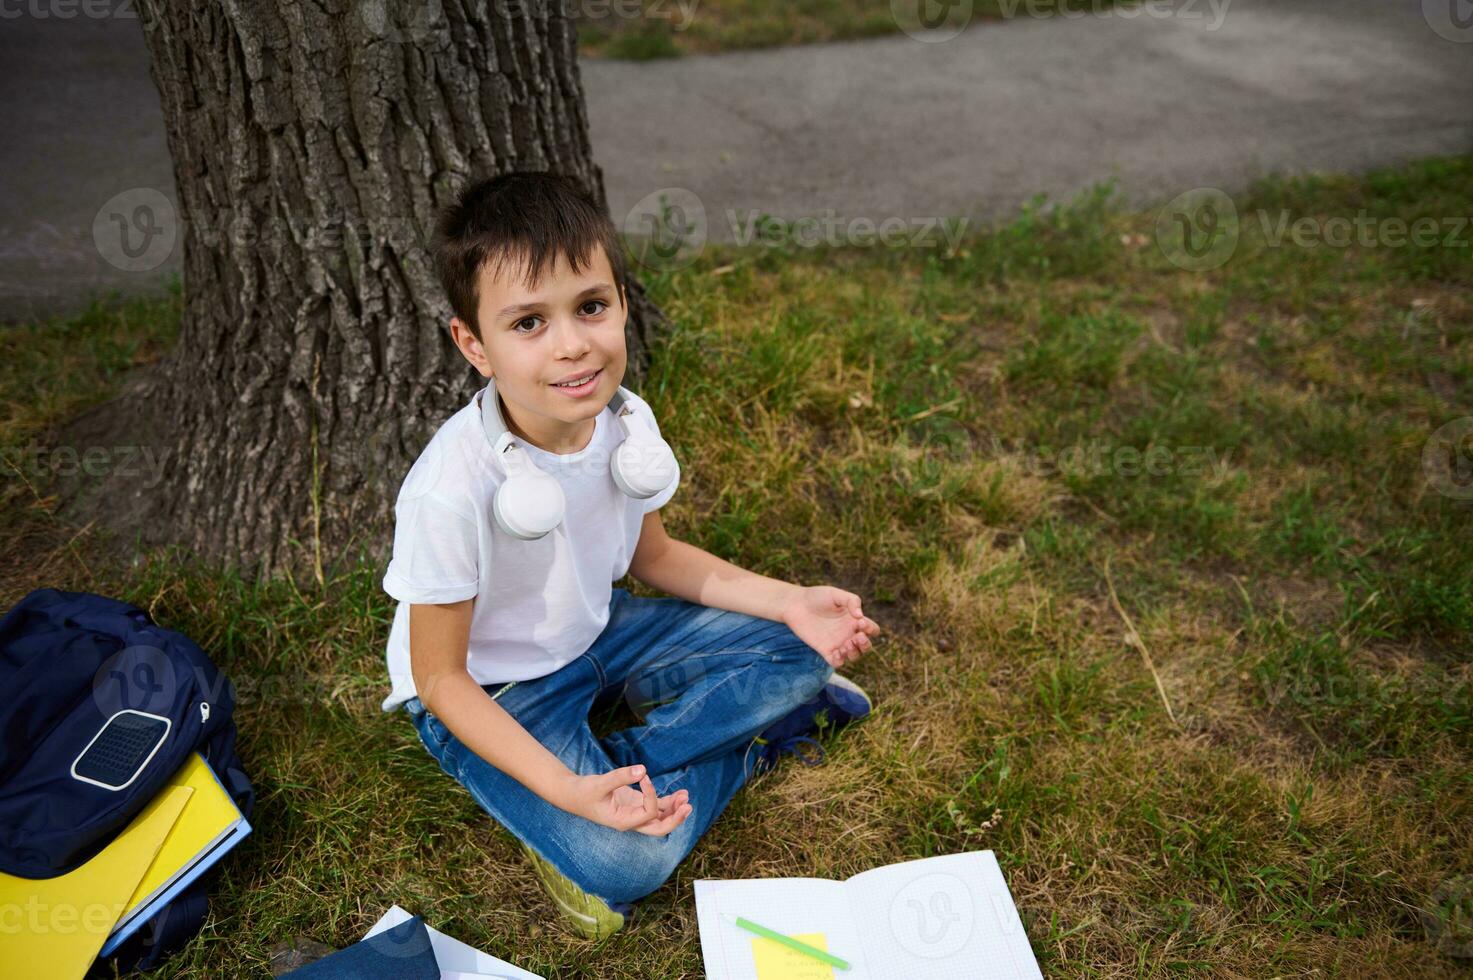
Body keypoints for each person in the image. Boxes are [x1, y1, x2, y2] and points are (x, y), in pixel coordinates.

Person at [380, 172, 882, 938]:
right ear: (473, 344)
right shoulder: (448, 490)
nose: (573, 344)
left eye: (590, 307)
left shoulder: (624, 421)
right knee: (629, 864)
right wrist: (561, 787)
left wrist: (788, 599)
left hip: (598, 629)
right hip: (494, 693)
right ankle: (665, 771)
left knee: (804, 656)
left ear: (619, 299)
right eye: (528, 324)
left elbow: (655, 556)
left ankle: (624, 762)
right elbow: (439, 678)